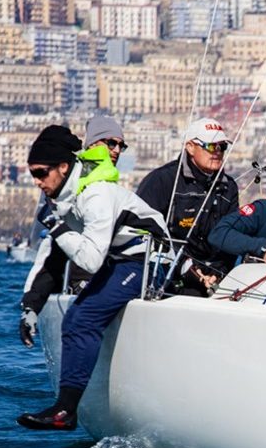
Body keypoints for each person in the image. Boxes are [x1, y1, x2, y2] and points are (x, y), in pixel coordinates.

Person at [17, 124, 169, 431]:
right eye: (32, 174)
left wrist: (57, 228)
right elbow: (53, 256)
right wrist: (30, 306)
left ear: (62, 167)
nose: (36, 182)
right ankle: (66, 407)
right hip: (122, 261)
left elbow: (89, 259)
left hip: (151, 261)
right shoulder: (63, 197)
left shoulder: (96, 194)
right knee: (75, 319)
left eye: (41, 173)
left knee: (81, 318)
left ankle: (65, 411)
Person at [19, 115, 129, 332]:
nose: (116, 150)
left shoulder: (107, 184)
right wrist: (30, 304)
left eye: (121, 145)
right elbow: (51, 251)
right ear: (92, 145)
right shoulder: (74, 184)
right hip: (81, 281)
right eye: (111, 143)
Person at [136, 117, 239, 296]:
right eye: (210, 146)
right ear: (190, 147)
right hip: (168, 274)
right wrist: (186, 266)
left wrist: (218, 270)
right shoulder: (162, 180)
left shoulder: (228, 187)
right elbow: (143, 230)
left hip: (215, 275)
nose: (217, 152)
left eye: (222, 147)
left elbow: (232, 234)